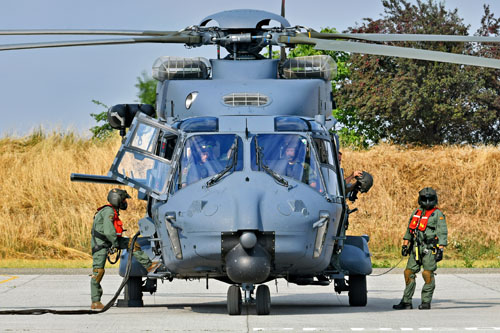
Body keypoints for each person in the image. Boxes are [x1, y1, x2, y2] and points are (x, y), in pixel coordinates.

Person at [90, 188, 160, 310]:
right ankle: (95, 301)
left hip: (110, 241)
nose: (124, 202)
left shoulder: (112, 211)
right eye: (123, 199)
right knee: (98, 271)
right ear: (117, 200)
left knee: (133, 244)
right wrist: (115, 243)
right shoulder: (108, 212)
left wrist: (115, 242)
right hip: (101, 244)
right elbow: (109, 231)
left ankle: (149, 265)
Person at [393, 187, 448, 310]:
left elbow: (442, 232)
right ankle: (406, 301)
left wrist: (441, 250)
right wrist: (405, 245)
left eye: (430, 199)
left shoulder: (437, 214)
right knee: (408, 272)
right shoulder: (416, 212)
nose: (427, 202)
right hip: (415, 248)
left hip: (429, 249)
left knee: (427, 274)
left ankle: (426, 302)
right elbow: (409, 230)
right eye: (424, 199)